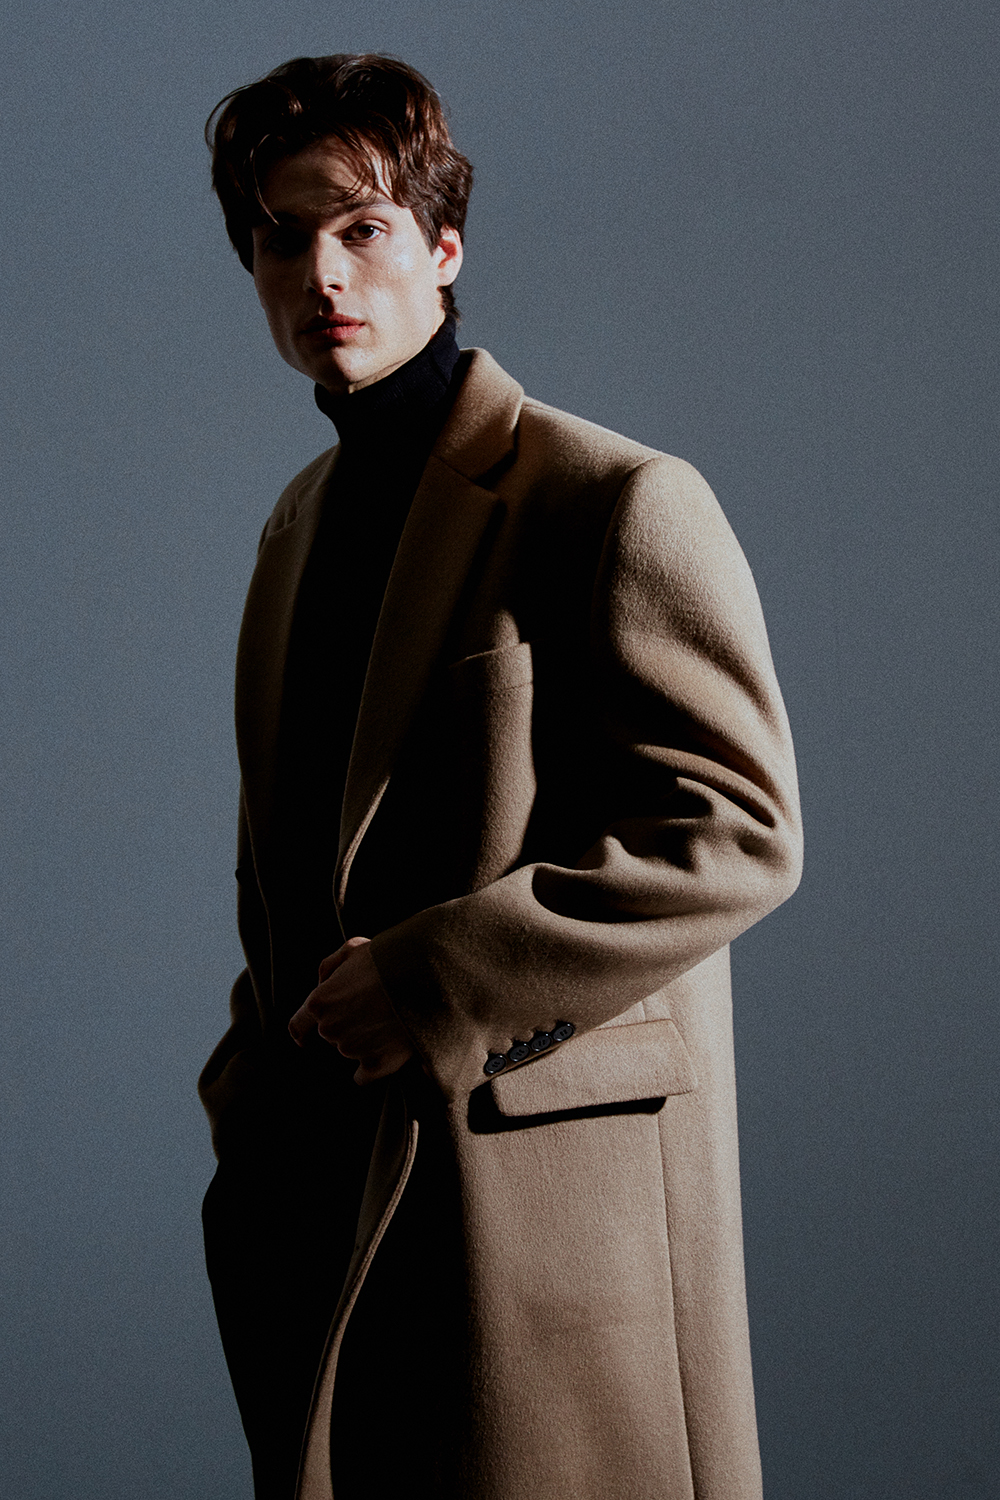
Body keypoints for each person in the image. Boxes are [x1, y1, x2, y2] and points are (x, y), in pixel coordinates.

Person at [198, 52, 803, 1500]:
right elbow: (296, 854)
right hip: (331, 1186)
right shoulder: (297, 525)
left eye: (363, 228)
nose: (322, 274)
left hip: (543, 1202)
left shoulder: (612, 499)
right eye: (282, 239)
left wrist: (434, 979)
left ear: (445, 248)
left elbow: (736, 831)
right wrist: (250, 1093)